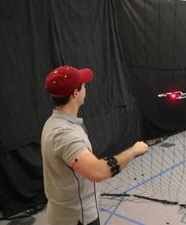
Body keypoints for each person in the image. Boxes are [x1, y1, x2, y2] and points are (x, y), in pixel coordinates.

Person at [41, 66, 148, 225]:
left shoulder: (56, 122)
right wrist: (133, 151)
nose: (86, 88)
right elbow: (98, 172)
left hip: (68, 212)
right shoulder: (64, 133)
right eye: (83, 85)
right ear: (76, 93)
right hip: (76, 218)